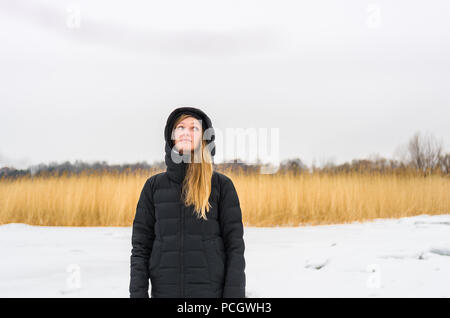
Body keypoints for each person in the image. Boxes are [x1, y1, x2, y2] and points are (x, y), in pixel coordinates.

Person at [129, 107, 246, 298]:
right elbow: (140, 250)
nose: (186, 132)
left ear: (204, 137)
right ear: (172, 136)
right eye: (180, 127)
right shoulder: (153, 187)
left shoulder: (221, 186)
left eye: (194, 128)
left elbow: (235, 248)